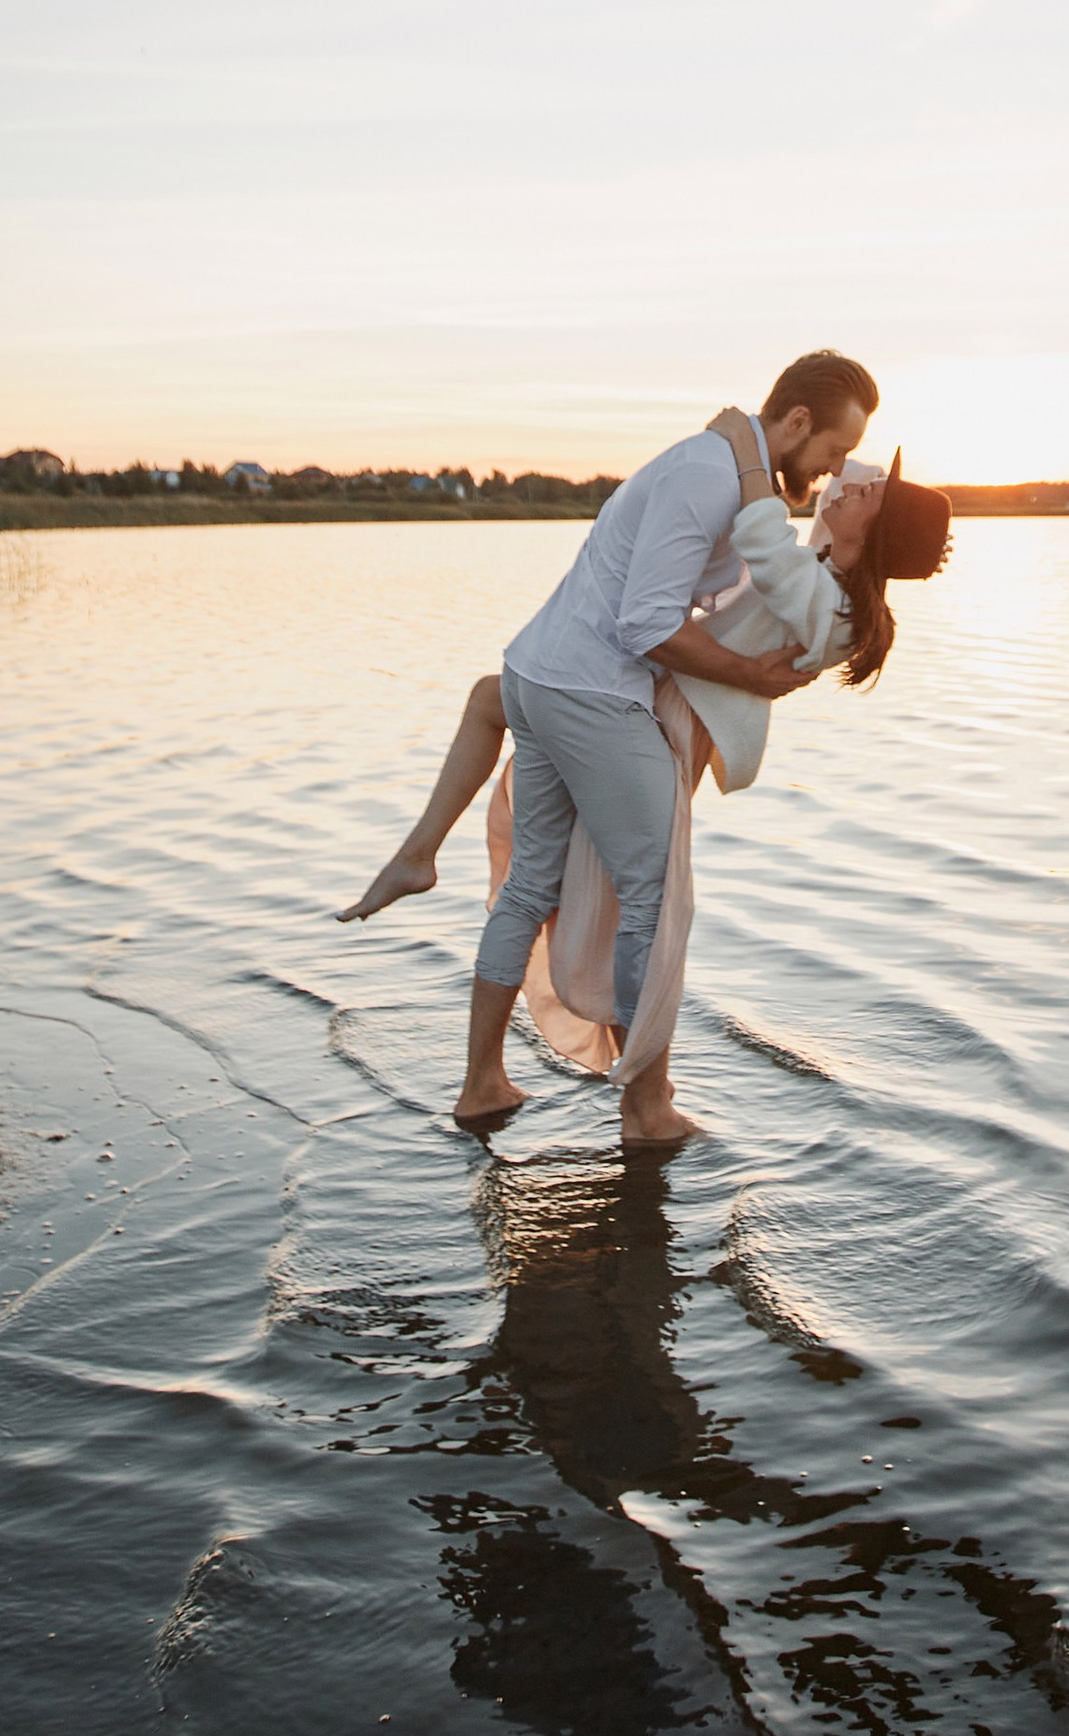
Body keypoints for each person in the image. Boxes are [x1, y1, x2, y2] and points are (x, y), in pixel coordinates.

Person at [338, 354, 951, 1148]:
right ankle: (644, 1107)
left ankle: (485, 1076)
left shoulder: (806, 571)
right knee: (654, 909)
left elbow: (753, 557)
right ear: (798, 423)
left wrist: (745, 452)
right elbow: (659, 619)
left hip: (578, 684)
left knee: (534, 875)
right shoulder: (729, 489)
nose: (843, 475)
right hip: (605, 701)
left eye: (859, 481)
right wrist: (745, 455)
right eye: (839, 455)